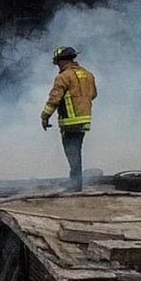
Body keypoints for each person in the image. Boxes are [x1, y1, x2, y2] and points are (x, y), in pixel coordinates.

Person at [38, 47, 97, 190]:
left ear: (62, 61)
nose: (58, 66)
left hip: (70, 122)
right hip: (84, 120)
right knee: (76, 151)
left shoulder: (63, 77)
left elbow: (54, 99)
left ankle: (75, 184)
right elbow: (93, 94)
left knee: (72, 153)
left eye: (58, 62)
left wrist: (44, 117)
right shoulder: (88, 75)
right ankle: (74, 181)